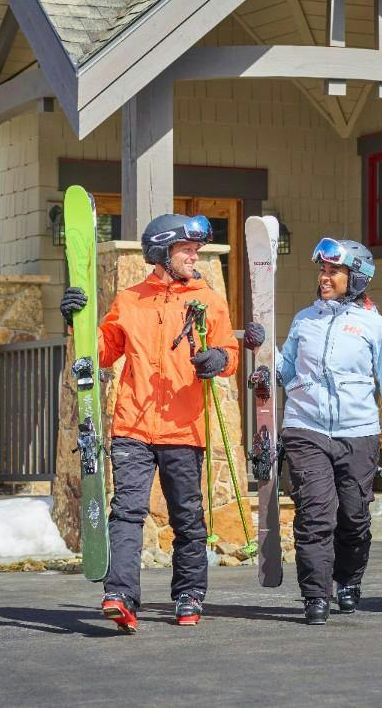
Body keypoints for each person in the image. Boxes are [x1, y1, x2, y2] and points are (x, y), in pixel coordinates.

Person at [59, 212, 247, 633]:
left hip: (184, 427)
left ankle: (188, 593)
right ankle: (120, 596)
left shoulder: (209, 299)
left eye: (195, 250)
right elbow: (102, 352)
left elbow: (230, 354)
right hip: (133, 425)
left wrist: (219, 359)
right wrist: (74, 320)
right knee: (126, 512)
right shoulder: (129, 300)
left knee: (186, 517)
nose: (193, 257)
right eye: (186, 249)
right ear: (161, 252)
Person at [245, 238, 382, 626]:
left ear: (357, 277)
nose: (324, 277)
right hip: (305, 428)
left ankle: (348, 580)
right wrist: (264, 348)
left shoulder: (375, 326)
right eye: (323, 270)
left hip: (358, 433)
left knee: (354, 517)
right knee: (314, 517)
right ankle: (315, 595)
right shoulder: (304, 320)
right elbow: (286, 373)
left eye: (334, 271)